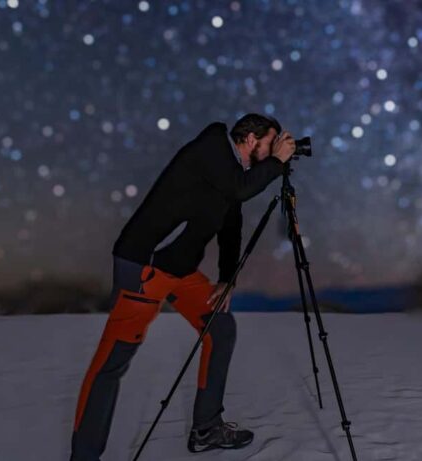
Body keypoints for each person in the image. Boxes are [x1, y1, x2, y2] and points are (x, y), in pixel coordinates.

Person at [70, 114, 296, 460]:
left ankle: (206, 428)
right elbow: (240, 188)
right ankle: (84, 456)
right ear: (250, 139)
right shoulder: (212, 145)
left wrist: (226, 277)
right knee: (112, 363)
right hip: (144, 265)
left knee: (220, 328)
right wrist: (278, 164)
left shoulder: (234, 175)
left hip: (180, 271)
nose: (274, 149)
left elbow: (231, 226)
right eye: (270, 142)